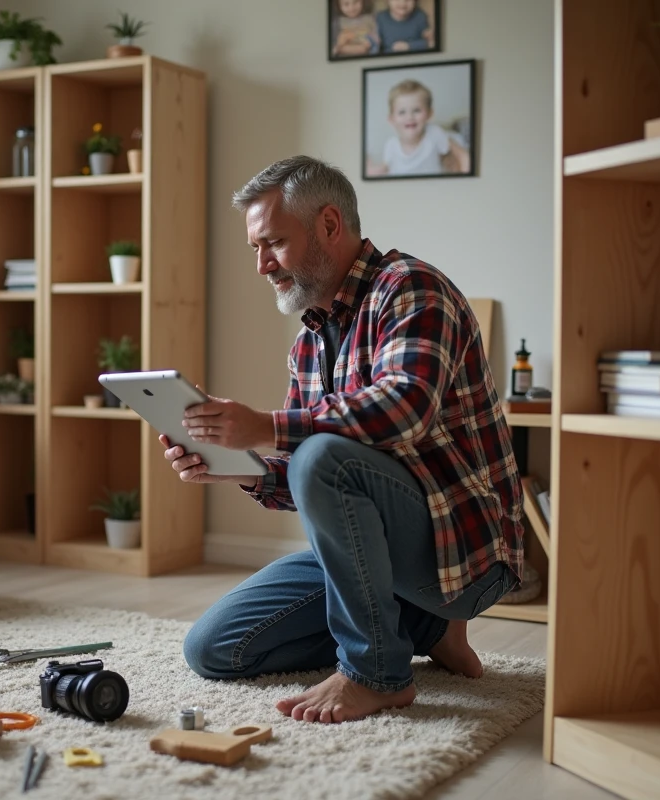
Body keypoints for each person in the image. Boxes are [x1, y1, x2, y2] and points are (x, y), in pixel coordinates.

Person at [160, 156, 524, 724]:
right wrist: (240, 465)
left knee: (324, 456)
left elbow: (404, 411)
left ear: (329, 224)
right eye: (255, 248)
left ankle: (376, 671)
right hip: (383, 548)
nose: (261, 265)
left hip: (464, 558)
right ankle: (424, 628)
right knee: (212, 648)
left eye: (273, 243)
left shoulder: (412, 289)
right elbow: (307, 475)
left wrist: (265, 425)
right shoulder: (308, 343)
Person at [368, 79, 470, 177]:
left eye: (416, 110)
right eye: (402, 112)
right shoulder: (391, 144)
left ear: (429, 113)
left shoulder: (434, 134)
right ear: (391, 119)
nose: (409, 117)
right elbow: (385, 169)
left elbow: (462, 155)